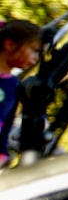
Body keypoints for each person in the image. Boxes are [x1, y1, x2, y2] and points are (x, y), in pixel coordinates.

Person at [0, 20, 42, 167]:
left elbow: (7, 123)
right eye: (34, 50)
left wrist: (3, 154)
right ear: (9, 44)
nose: (36, 58)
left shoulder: (14, 85)